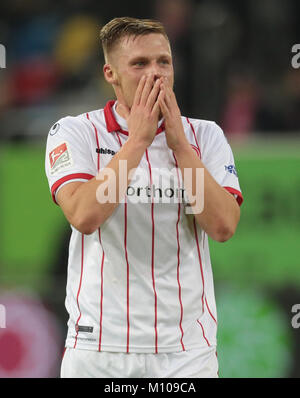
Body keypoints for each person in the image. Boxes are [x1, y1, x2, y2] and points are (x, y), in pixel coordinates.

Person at [45, 17, 243, 378]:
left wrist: (180, 144)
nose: (156, 73)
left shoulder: (206, 136)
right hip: (99, 350)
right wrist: (137, 141)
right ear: (111, 74)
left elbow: (223, 226)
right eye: (139, 64)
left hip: (186, 351)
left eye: (163, 62)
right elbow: (84, 215)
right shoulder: (76, 133)